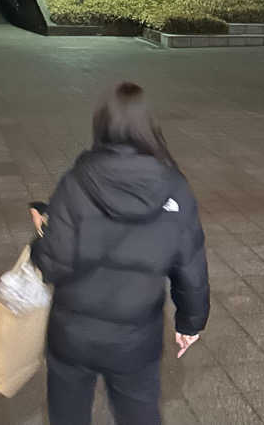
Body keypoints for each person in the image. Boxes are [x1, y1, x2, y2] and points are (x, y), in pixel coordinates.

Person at [29, 81, 209, 425]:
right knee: (139, 414)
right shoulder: (175, 188)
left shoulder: (77, 181)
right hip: (135, 338)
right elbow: (191, 264)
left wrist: (42, 231)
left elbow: (51, 263)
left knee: (67, 415)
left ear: (102, 125)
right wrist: (190, 322)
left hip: (73, 335)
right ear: (148, 127)